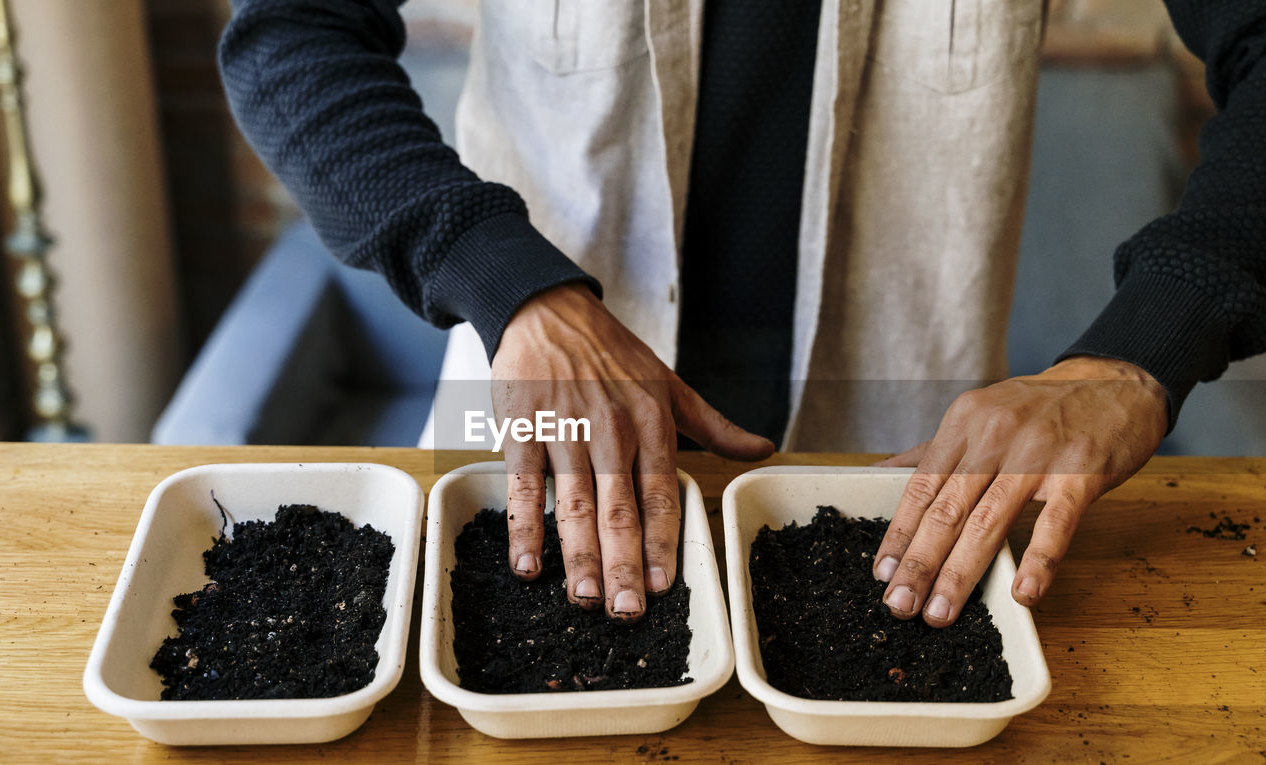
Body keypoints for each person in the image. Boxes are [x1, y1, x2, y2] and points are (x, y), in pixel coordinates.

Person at [219, 1, 1265, 625]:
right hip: (539, 406)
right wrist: (502, 277)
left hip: (900, 456)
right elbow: (289, 33)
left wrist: (1137, 353)